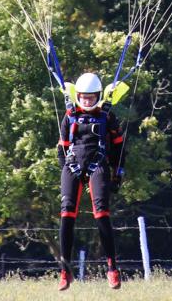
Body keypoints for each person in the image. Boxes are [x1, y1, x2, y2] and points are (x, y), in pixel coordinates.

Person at [56, 72, 126, 290]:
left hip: (98, 164)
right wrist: (66, 169)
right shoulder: (70, 116)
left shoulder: (107, 116)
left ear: (98, 96)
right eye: (83, 97)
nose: (87, 101)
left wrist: (118, 173)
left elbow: (119, 148)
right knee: (67, 214)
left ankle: (112, 268)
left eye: (91, 97)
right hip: (73, 165)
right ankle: (65, 271)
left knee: (101, 213)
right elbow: (61, 148)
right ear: (78, 96)